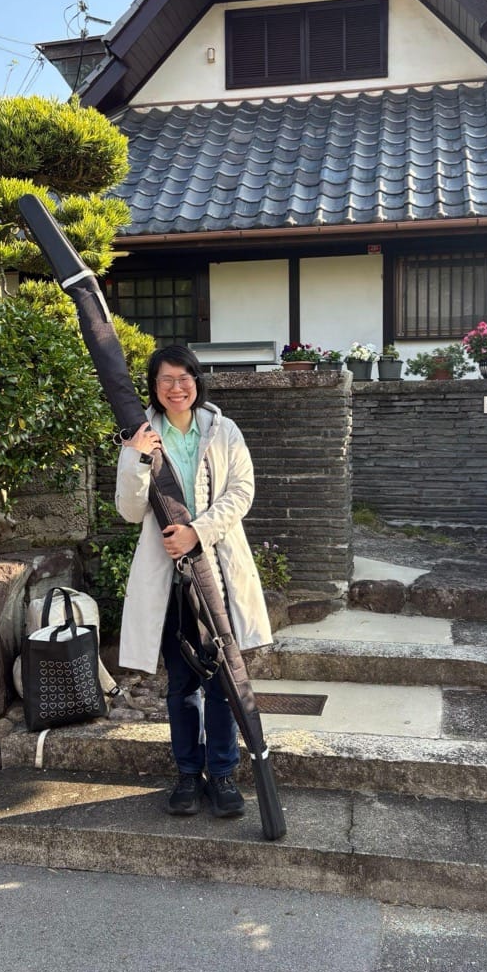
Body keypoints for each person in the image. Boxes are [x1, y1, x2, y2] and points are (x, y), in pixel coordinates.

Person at [115, 345, 272, 820]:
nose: (176, 387)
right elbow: (127, 510)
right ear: (154, 387)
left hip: (217, 574)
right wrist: (137, 459)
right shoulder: (140, 434)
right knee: (181, 682)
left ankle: (222, 775)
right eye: (165, 380)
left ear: (197, 381)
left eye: (184, 378)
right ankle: (187, 773)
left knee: (224, 678)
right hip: (169, 580)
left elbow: (242, 492)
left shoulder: (222, 430)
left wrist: (196, 532)